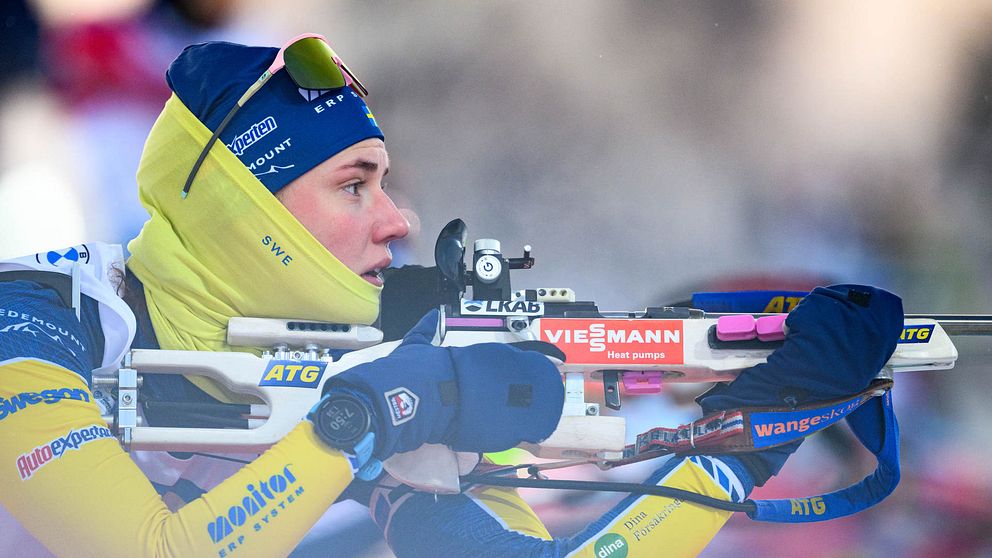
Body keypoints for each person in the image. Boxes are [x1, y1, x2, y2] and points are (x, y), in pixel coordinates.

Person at [0, 34, 905, 558]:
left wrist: (749, 437)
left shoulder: (377, 355)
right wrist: (366, 421)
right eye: (355, 185)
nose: (399, 220)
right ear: (248, 213)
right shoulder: (37, 318)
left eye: (386, 183)